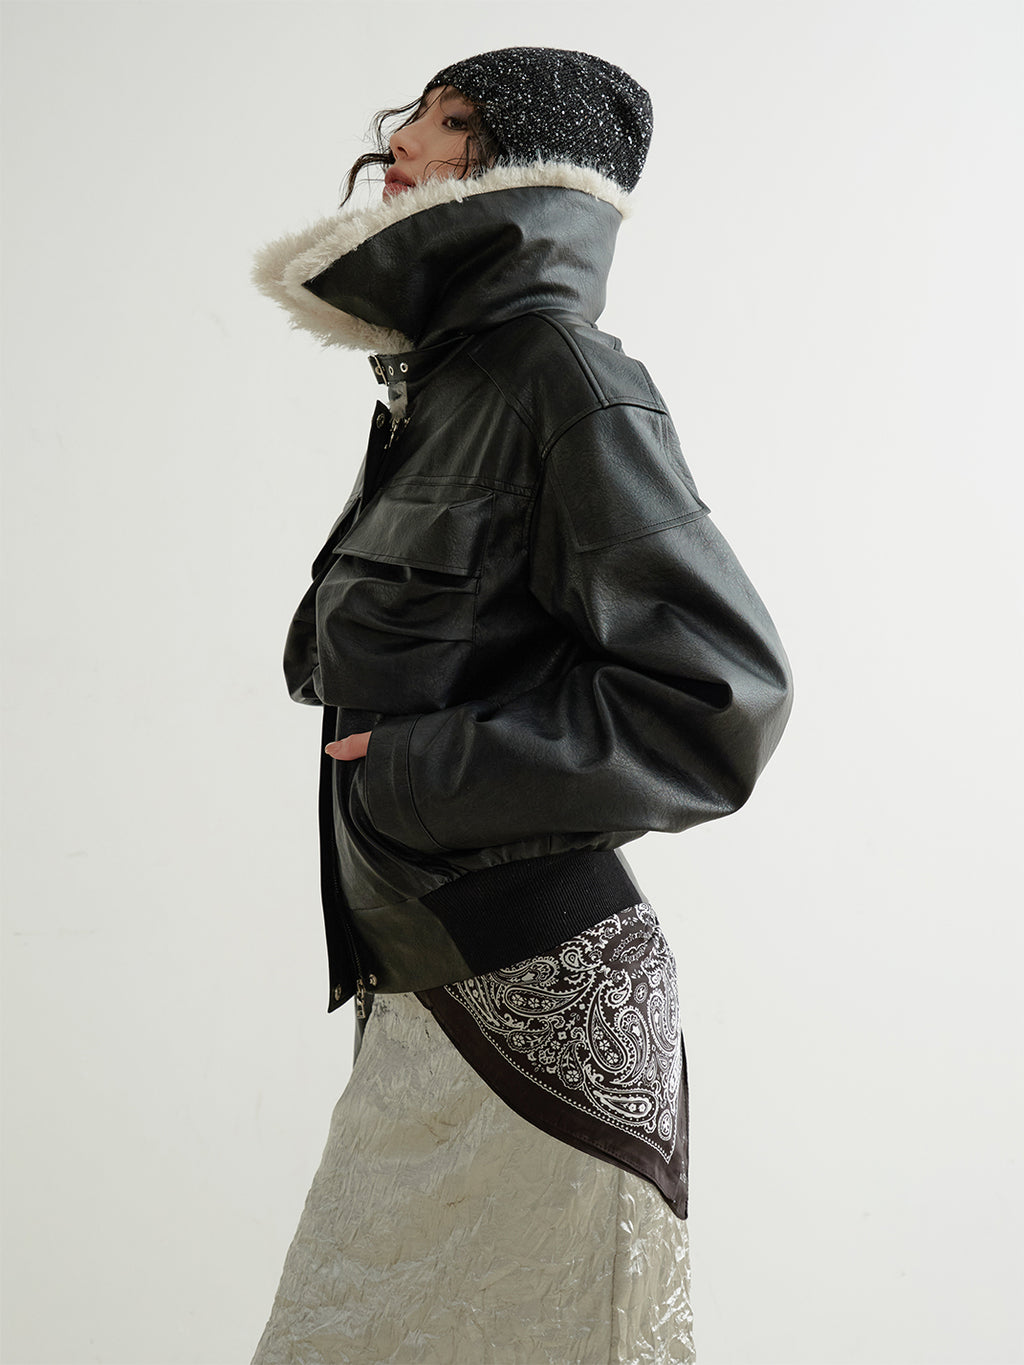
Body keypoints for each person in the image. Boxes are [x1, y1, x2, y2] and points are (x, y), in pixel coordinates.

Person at [250, 46, 792, 1365]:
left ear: (525, 161)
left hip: (543, 1012)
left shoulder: (561, 376)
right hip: (421, 993)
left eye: (448, 120)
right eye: (413, 114)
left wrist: (412, 773)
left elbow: (719, 695)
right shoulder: (441, 393)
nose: (402, 142)